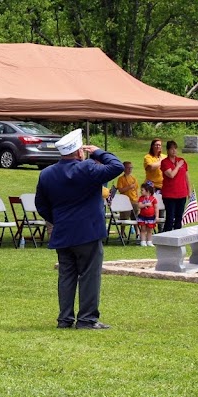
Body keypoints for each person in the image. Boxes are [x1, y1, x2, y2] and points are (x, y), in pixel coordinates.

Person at [34, 128, 124, 329]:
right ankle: (86, 319)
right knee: (89, 275)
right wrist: (99, 151)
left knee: (66, 276)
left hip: (63, 232)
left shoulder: (47, 174)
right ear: (79, 151)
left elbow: (41, 204)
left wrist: (57, 220)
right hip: (88, 232)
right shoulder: (88, 168)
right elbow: (117, 166)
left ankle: (64, 319)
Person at [160, 140, 189, 232]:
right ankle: (167, 235)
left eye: (175, 148)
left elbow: (186, 176)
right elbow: (171, 175)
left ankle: (178, 234)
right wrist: (177, 166)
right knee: (170, 216)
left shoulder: (181, 160)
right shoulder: (165, 162)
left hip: (181, 192)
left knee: (179, 216)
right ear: (168, 150)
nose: (174, 151)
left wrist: (189, 189)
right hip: (169, 194)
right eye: (171, 149)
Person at [136, 182, 159, 247]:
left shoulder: (153, 199)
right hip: (143, 217)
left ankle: (149, 241)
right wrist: (145, 204)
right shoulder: (141, 198)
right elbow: (139, 205)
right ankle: (143, 241)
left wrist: (157, 216)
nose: (141, 191)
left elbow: (156, 208)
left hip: (151, 217)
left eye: (142, 190)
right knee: (143, 229)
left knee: (149, 229)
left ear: (148, 191)